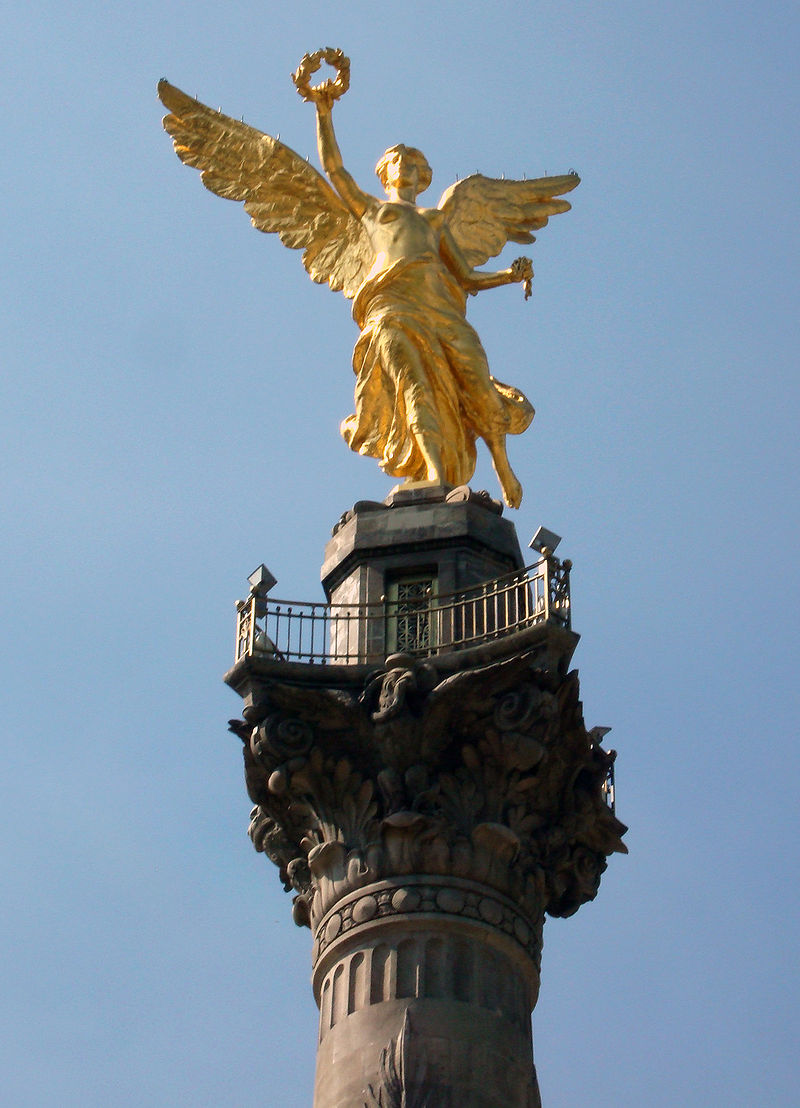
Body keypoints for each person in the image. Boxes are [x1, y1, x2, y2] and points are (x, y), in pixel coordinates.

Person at [314, 101, 534, 508]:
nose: (404, 167)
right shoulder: (373, 210)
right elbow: (334, 171)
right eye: (396, 161)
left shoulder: (435, 220)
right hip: (390, 306)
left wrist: (509, 275)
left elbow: (465, 277)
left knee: (477, 381)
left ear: (422, 175)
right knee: (414, 387)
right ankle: (434, 474)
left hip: (441, 310)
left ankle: (501, 464)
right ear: (384, 173)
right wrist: (323, 111)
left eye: (411, 163)